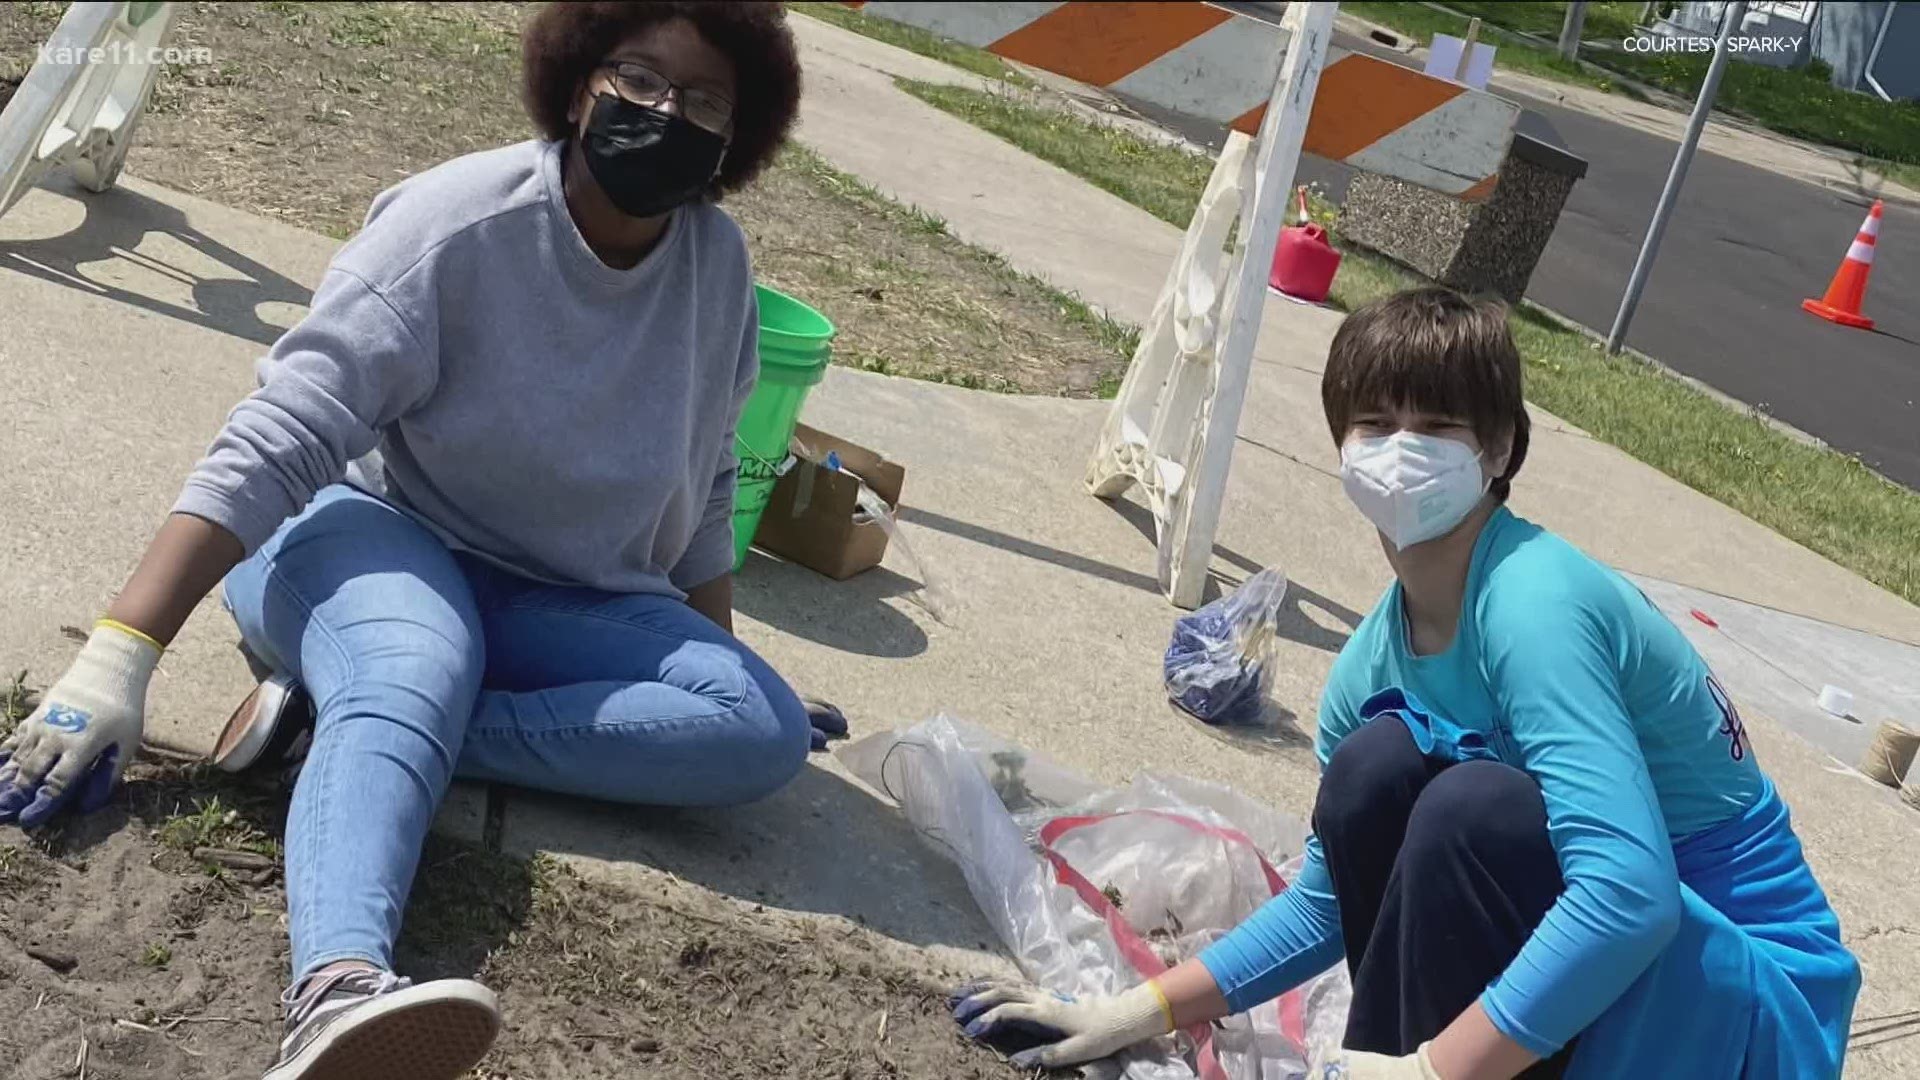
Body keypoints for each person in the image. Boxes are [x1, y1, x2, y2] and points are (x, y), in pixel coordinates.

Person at [0, 4, 814, 1078]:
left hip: (559, 594)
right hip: (370, 539)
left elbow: (709, 480)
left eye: (705, 100)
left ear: (737, 137)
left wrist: (714, 655)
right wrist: (121, 650)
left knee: (763, 727)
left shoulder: (716, 268)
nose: (666, 113)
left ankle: (336, 730)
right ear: (579, 86)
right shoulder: (458, 222)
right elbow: (283, 434)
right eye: (639, 79)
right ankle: (336, 990)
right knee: (414, 664)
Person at [953, 288, 1860, 1079]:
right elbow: (1330, 902)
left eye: (1437, 428)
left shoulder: (1535, 603)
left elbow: (1629, 893)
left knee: (1473, 813)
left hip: (1742, 1014)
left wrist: (1437, 1069)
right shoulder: (1371, 666)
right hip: (1625, 979)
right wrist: (1139, 1009)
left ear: (1502, 449)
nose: (1400, 451)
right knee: (1376, 768)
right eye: (1375, 425)